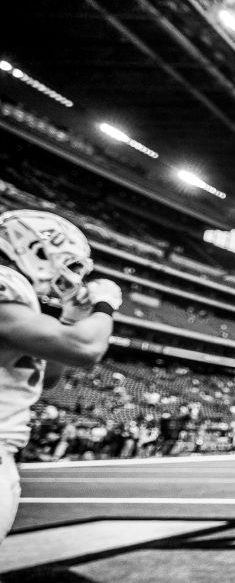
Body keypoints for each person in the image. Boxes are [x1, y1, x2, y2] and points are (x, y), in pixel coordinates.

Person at [0, 210, 120, 539]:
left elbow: (50, 377)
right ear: (37, 249)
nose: (72, 275)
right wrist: (104, 305)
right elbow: (85, 348)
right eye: (69, 262)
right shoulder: (4, 282)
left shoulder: (20, 298)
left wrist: (69, 319)